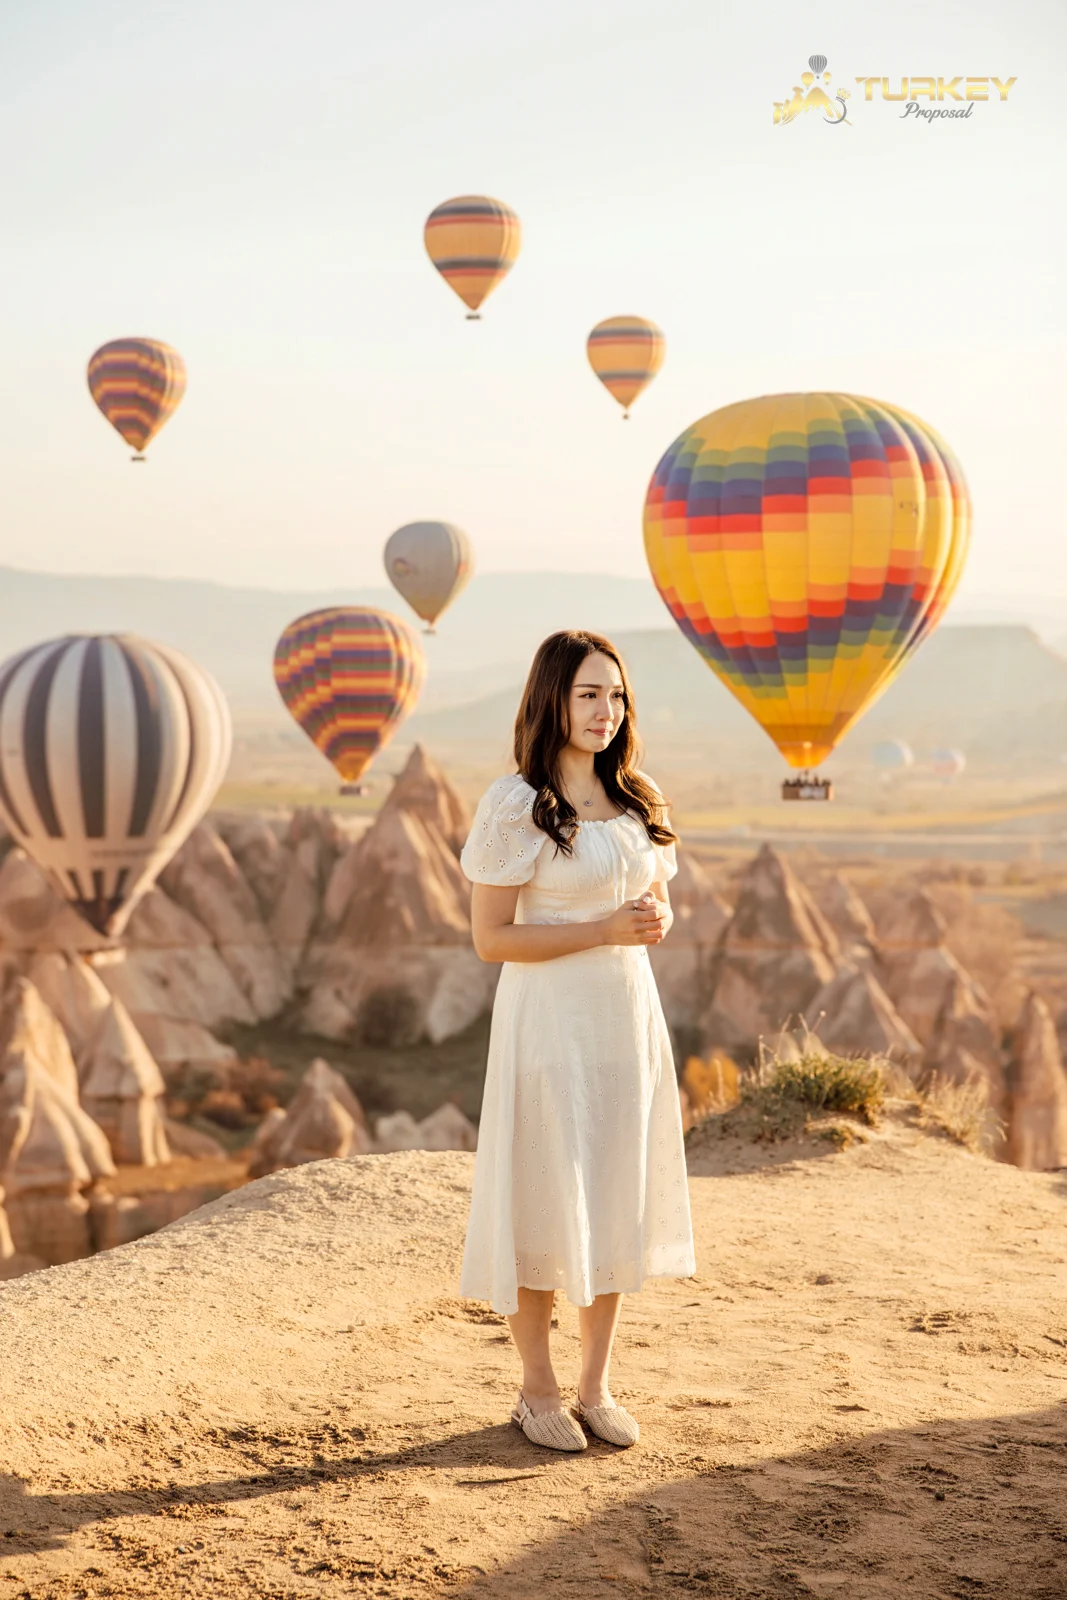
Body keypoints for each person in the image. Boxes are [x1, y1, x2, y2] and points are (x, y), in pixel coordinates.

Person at [459, 629, 695, 1452]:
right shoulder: (514, 803)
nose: (605, 711)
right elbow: (492, 940)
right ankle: (537, 1389)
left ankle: (595, 1386)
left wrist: (652, 921)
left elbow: (653, 900)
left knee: (610, 1193)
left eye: (617, 695)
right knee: (543, 1191)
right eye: (589, 694)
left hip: (624, 1017)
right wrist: (601, 926)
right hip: (547, 1021)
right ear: (552, 698)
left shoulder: (638, 795)